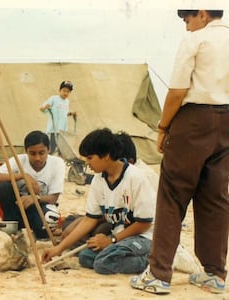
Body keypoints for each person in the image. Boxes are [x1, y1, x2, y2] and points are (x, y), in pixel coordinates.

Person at [131, 9, 229, 295]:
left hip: (194, 119)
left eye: (187, 20)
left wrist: (163, 127)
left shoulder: (197, 40)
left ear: (201, 14)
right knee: (215, 197)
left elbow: (176, 91)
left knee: (173, 193)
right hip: (226, 121)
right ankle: (214, 273)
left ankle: (159, 274)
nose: (186, 27)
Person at [42, 128, 156, 275]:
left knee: (103, 263)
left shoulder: (135, 177)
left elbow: (144, 223)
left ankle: (153, 259)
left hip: (144, 237)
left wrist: (111, 240)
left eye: (90, 158)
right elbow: (89, 220)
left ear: (106, 156)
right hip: (121, 237)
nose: (87, 163)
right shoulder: (99, 179)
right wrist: (59, 249)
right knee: (86, 257)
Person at [0, 130, 66, 239]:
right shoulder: (18, 160)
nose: (37, 158)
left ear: (49, 150)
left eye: (41, 153)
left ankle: (34, 228)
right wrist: (23, 176)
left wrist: (35, 198)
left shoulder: (57, 163)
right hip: (17, 206)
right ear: (26, 151)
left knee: (46, 226)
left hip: (39, 205)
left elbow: (53, 198)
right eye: (32, 153)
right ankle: (12, 224)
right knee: (3, 186)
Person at [39, 81, 76, 154]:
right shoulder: (54, 98)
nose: (66, 93)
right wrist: (45, 107)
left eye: (68, 91)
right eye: (64, 90)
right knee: (51, 148)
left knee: (61, 150)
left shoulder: (67, 102)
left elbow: (64, 114)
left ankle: (59, 163)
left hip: (62, 130)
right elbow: (41, 109)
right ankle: (48, 161)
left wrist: (71, 114)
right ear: (59, 90)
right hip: (54, 129)